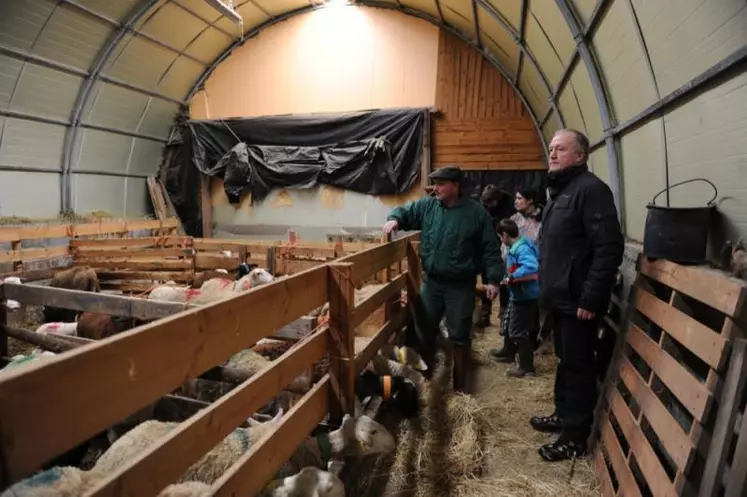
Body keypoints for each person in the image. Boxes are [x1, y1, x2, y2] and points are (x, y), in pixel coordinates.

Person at [531, 129, 624, 462]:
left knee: (579, 366)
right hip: (561, 299)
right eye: (551, 149)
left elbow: (609, 248)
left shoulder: (591, 191)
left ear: (580, 156)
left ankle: (574, 437)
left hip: (578, 303)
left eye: (560, 149)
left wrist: (590, 298)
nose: (552, 154)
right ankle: (562, 414)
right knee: (565, 362)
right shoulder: (563, 191)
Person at [383, 166, 503, 394]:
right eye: (435, 183)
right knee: (424, 328)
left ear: (456, 186)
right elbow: (405, 211)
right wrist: (395, 219)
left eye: (441, 184)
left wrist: (494, 279)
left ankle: (460, 389)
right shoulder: (428, 206)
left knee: (460, 333)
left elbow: (491, 249)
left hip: (460, 285)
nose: (435, 188)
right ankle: (425, 380)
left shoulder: (476, 214)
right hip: (432, 282)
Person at [490, 188, 543, 359]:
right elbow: (506, 248)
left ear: (531, 200)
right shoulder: (514, 219)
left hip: (527, 280)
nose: (515, 201)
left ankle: (527, 357)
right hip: (513, 275)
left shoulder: (540, 223)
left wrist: (515, 274)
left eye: (520, 198)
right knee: (509, 315)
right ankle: (508, 350)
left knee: (524, 320)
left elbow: (532, 261)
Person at [496, 218, 540, 378]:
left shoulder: (520, 249)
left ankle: (526, 367)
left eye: (501, 237)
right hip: (521, 294)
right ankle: (517, 359)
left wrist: (512, 277)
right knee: (513, 327)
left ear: (505, 235)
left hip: (525, 296)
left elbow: (531, 267)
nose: (502, 241)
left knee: (517, 331)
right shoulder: (521, 245)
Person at [477, 185, 515, 327]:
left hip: (505, 243)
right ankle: (485, 313)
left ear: (497, 200)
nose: (488, 206)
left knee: (505, 280)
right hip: (489, 244)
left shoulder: (508, 205)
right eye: (486, 204)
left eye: (490, 203)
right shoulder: (483, 206)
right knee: (487, 277)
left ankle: (503, 316)